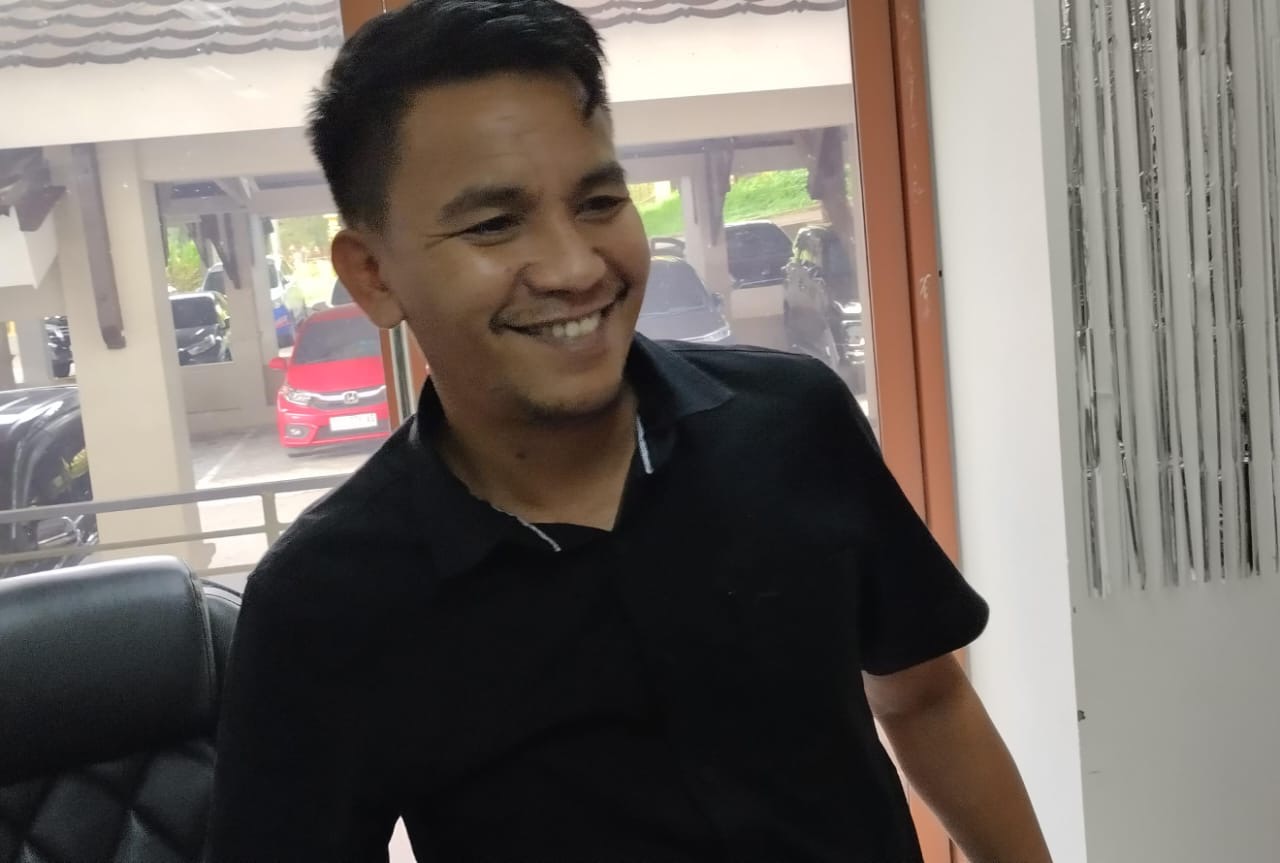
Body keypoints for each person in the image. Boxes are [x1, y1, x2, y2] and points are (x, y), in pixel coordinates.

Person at [207, 1, 1052, 861]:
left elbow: (925, 696)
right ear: (373, 274)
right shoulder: (325, 601)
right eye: (494, 224)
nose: (576, 268)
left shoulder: (794, 424)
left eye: (600, 200)